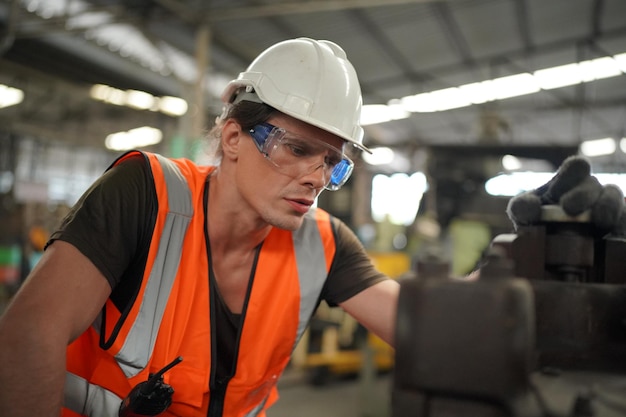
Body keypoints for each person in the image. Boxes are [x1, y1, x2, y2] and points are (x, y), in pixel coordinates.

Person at [0, 38, 400, 417]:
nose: (316, 177)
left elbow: (415, 325)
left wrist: (463, 301)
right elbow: (29, 338)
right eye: (296, 149)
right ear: (232, 138)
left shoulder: (324, 242)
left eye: (332, 162)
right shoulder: (146, 194)